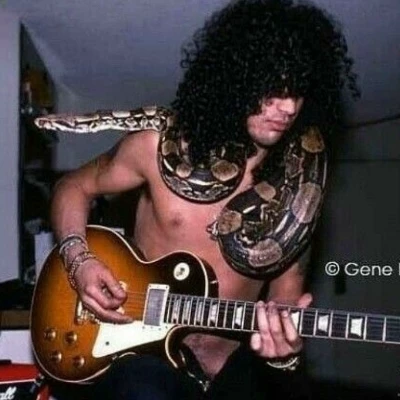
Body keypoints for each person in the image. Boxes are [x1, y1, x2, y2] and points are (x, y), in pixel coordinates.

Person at [48, 0, 358, 399]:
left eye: (296, 91)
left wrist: (284, 354)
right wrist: (79, 261)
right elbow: (72, 187)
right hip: (137, 353)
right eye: (272, 87)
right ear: (235, 80)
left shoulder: (299, 193)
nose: (287, 107)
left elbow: (284, 305)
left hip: (231, 370)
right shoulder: (155, 148)